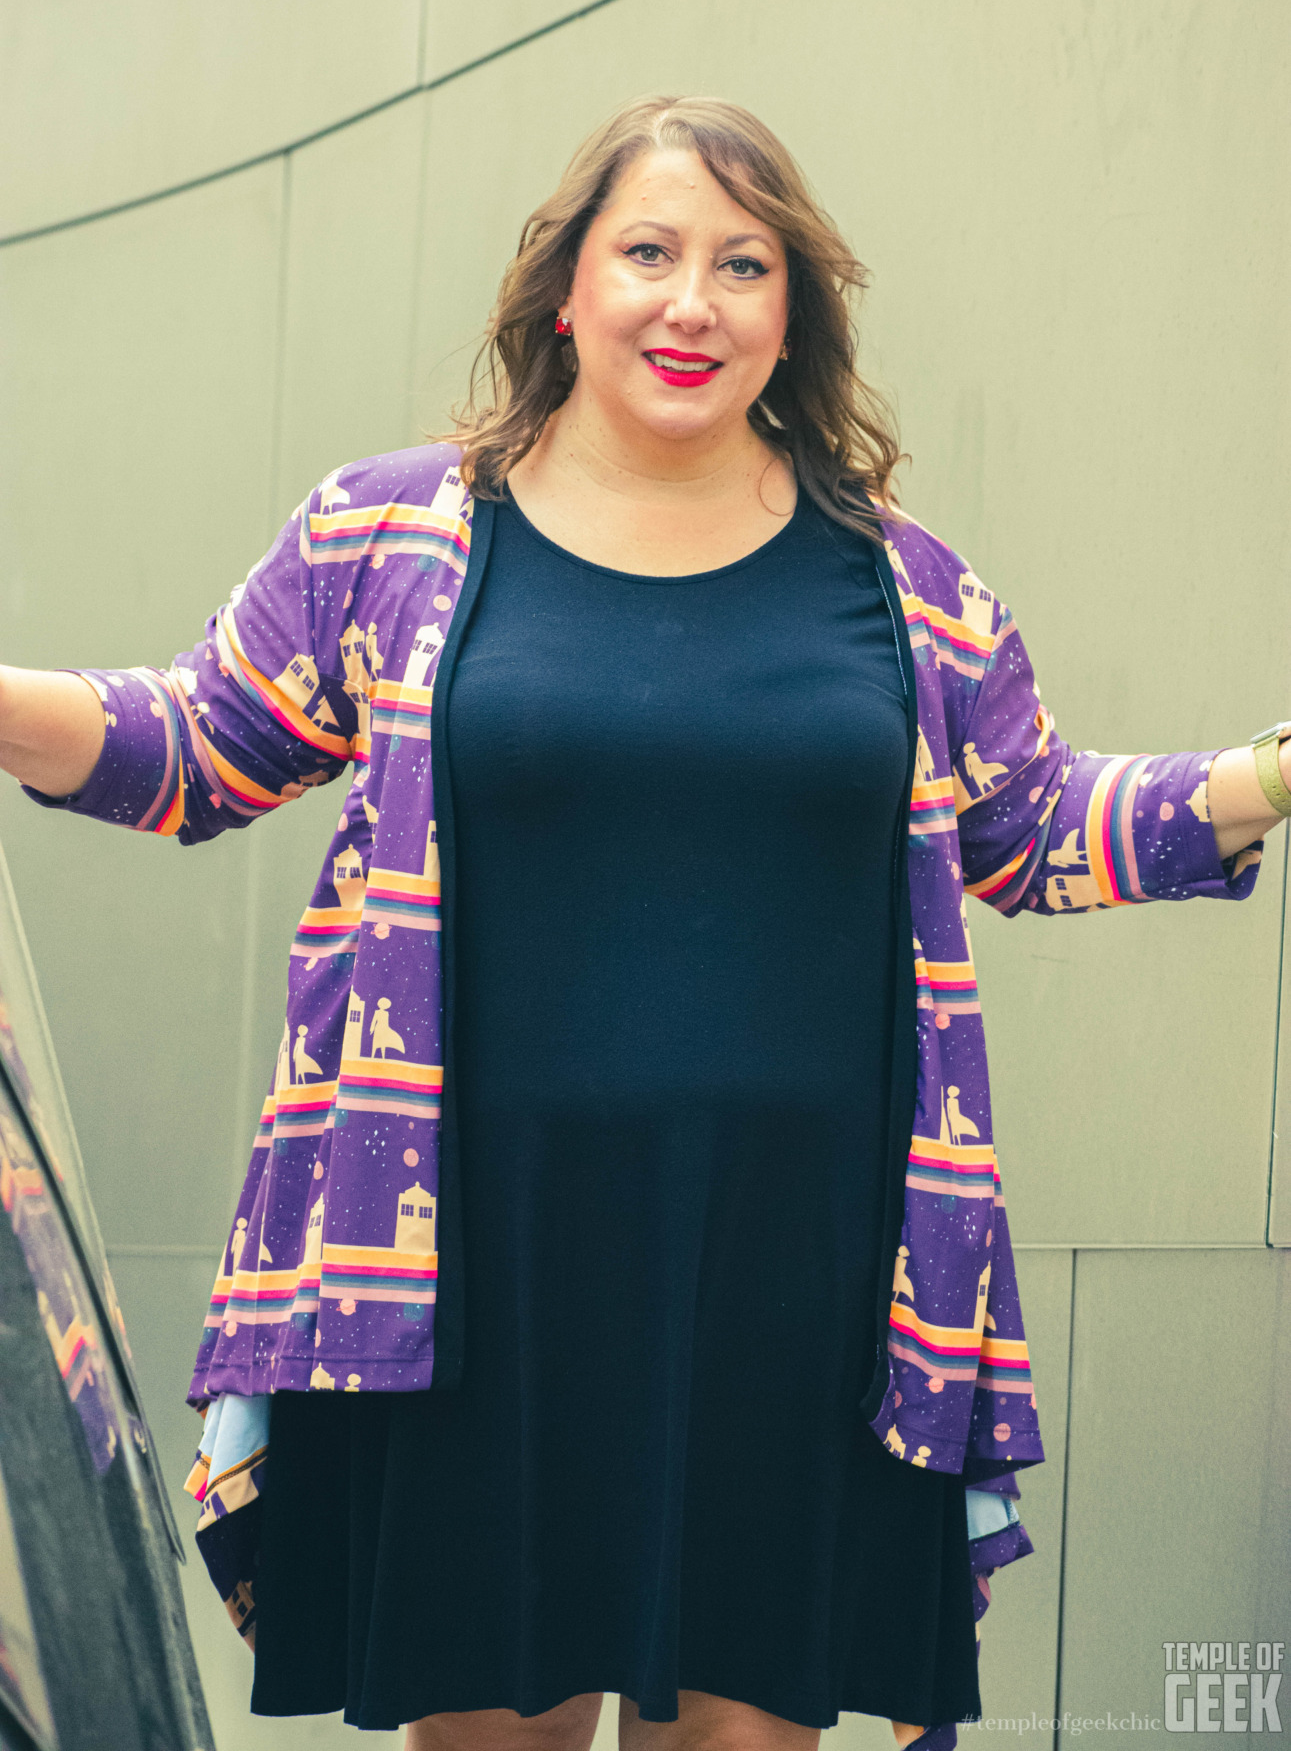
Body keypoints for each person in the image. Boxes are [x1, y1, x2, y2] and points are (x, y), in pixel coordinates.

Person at [0, 96, 1284, 1751]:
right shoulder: (394, 539)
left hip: (802, 1276)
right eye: (652, 254)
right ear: (567, 293)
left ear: (792, 314)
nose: (695, 300)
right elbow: (197, 742)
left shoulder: (905, 587)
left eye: (743, 264)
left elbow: (1035, 826)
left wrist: (1272, 773)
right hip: (476, 1272)